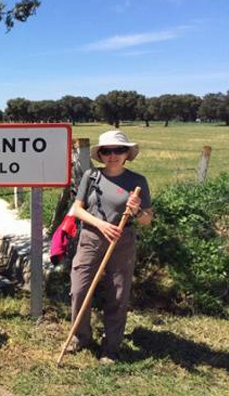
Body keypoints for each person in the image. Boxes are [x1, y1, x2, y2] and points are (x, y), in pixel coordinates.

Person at [68, 130, 152, 364]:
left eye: (119, 150)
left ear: (127, 154)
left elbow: (147, 220)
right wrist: (101, 225)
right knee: (79, 289)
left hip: (122, 241)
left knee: (118, 293)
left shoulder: (137, 181)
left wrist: (136, 210)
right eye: (107, 151)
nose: (113, 155)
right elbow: (77, 209)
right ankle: (81, 337)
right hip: (91, 238)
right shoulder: (91, 176)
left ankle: (111, 347)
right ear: (101, 154)